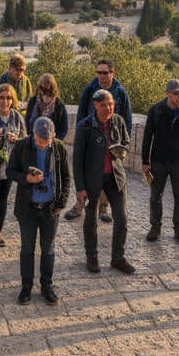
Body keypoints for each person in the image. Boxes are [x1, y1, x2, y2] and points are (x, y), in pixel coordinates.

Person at [8, 116, 71, 304]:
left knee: (48, 249)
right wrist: (28, 179)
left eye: (46, 142)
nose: (43, 145)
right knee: (27, 249)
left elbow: (66, 177)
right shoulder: (22, 146)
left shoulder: (59, 148)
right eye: (39, 141)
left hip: (50, 208)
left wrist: (61, 203)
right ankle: (26, 287)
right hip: (28, 208)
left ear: (53, 137)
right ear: (33, 134)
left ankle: (47, 286)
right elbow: (10, 171)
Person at [73, 89, 134, 275]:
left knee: (122, 218)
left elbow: (126, 141)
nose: (108, 108)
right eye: (104, 105)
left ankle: (118, 257)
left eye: (111, 105)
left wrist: (121, 149)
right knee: (91, 219)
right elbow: (77, 159)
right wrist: (80, 188)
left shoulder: (118, 121)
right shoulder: (85, 126)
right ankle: (91, 256)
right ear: (95, 105)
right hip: (93, 179)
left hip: (115, 178)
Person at [69, 58, 132, 223]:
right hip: (90, 140)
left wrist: (124, 144)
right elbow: (81, 115)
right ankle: (80, 204)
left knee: (108, 175)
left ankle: (102, 209)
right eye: (99, 72)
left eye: (105, 72)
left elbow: (127, 120)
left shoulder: (120, 92)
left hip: (112, 144)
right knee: (87, 174)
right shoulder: (90, 90)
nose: (101, 76)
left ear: (112, 73)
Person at [141, 79, 179, 246]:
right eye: (175, 93)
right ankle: (155, 228)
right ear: (167, 94)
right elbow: (147, 137)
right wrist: (145, 161)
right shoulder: (156, 110)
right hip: (158, 161)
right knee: (155, 196)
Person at [0, 83, 27, 247]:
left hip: (8, 165)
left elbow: (26, 140)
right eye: (1, 98)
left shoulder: (16, 117)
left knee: (2, 198)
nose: (5, 101)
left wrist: (17, 140)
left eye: (8, 98)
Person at [26, 73, 69, 141]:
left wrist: (54, 141)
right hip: (33, 141)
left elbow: (64, 128)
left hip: (51, 142)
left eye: (46, 89)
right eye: (41, 88)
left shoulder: (58, 104)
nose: (43, 92)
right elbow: (27, 121)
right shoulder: (33, 101)